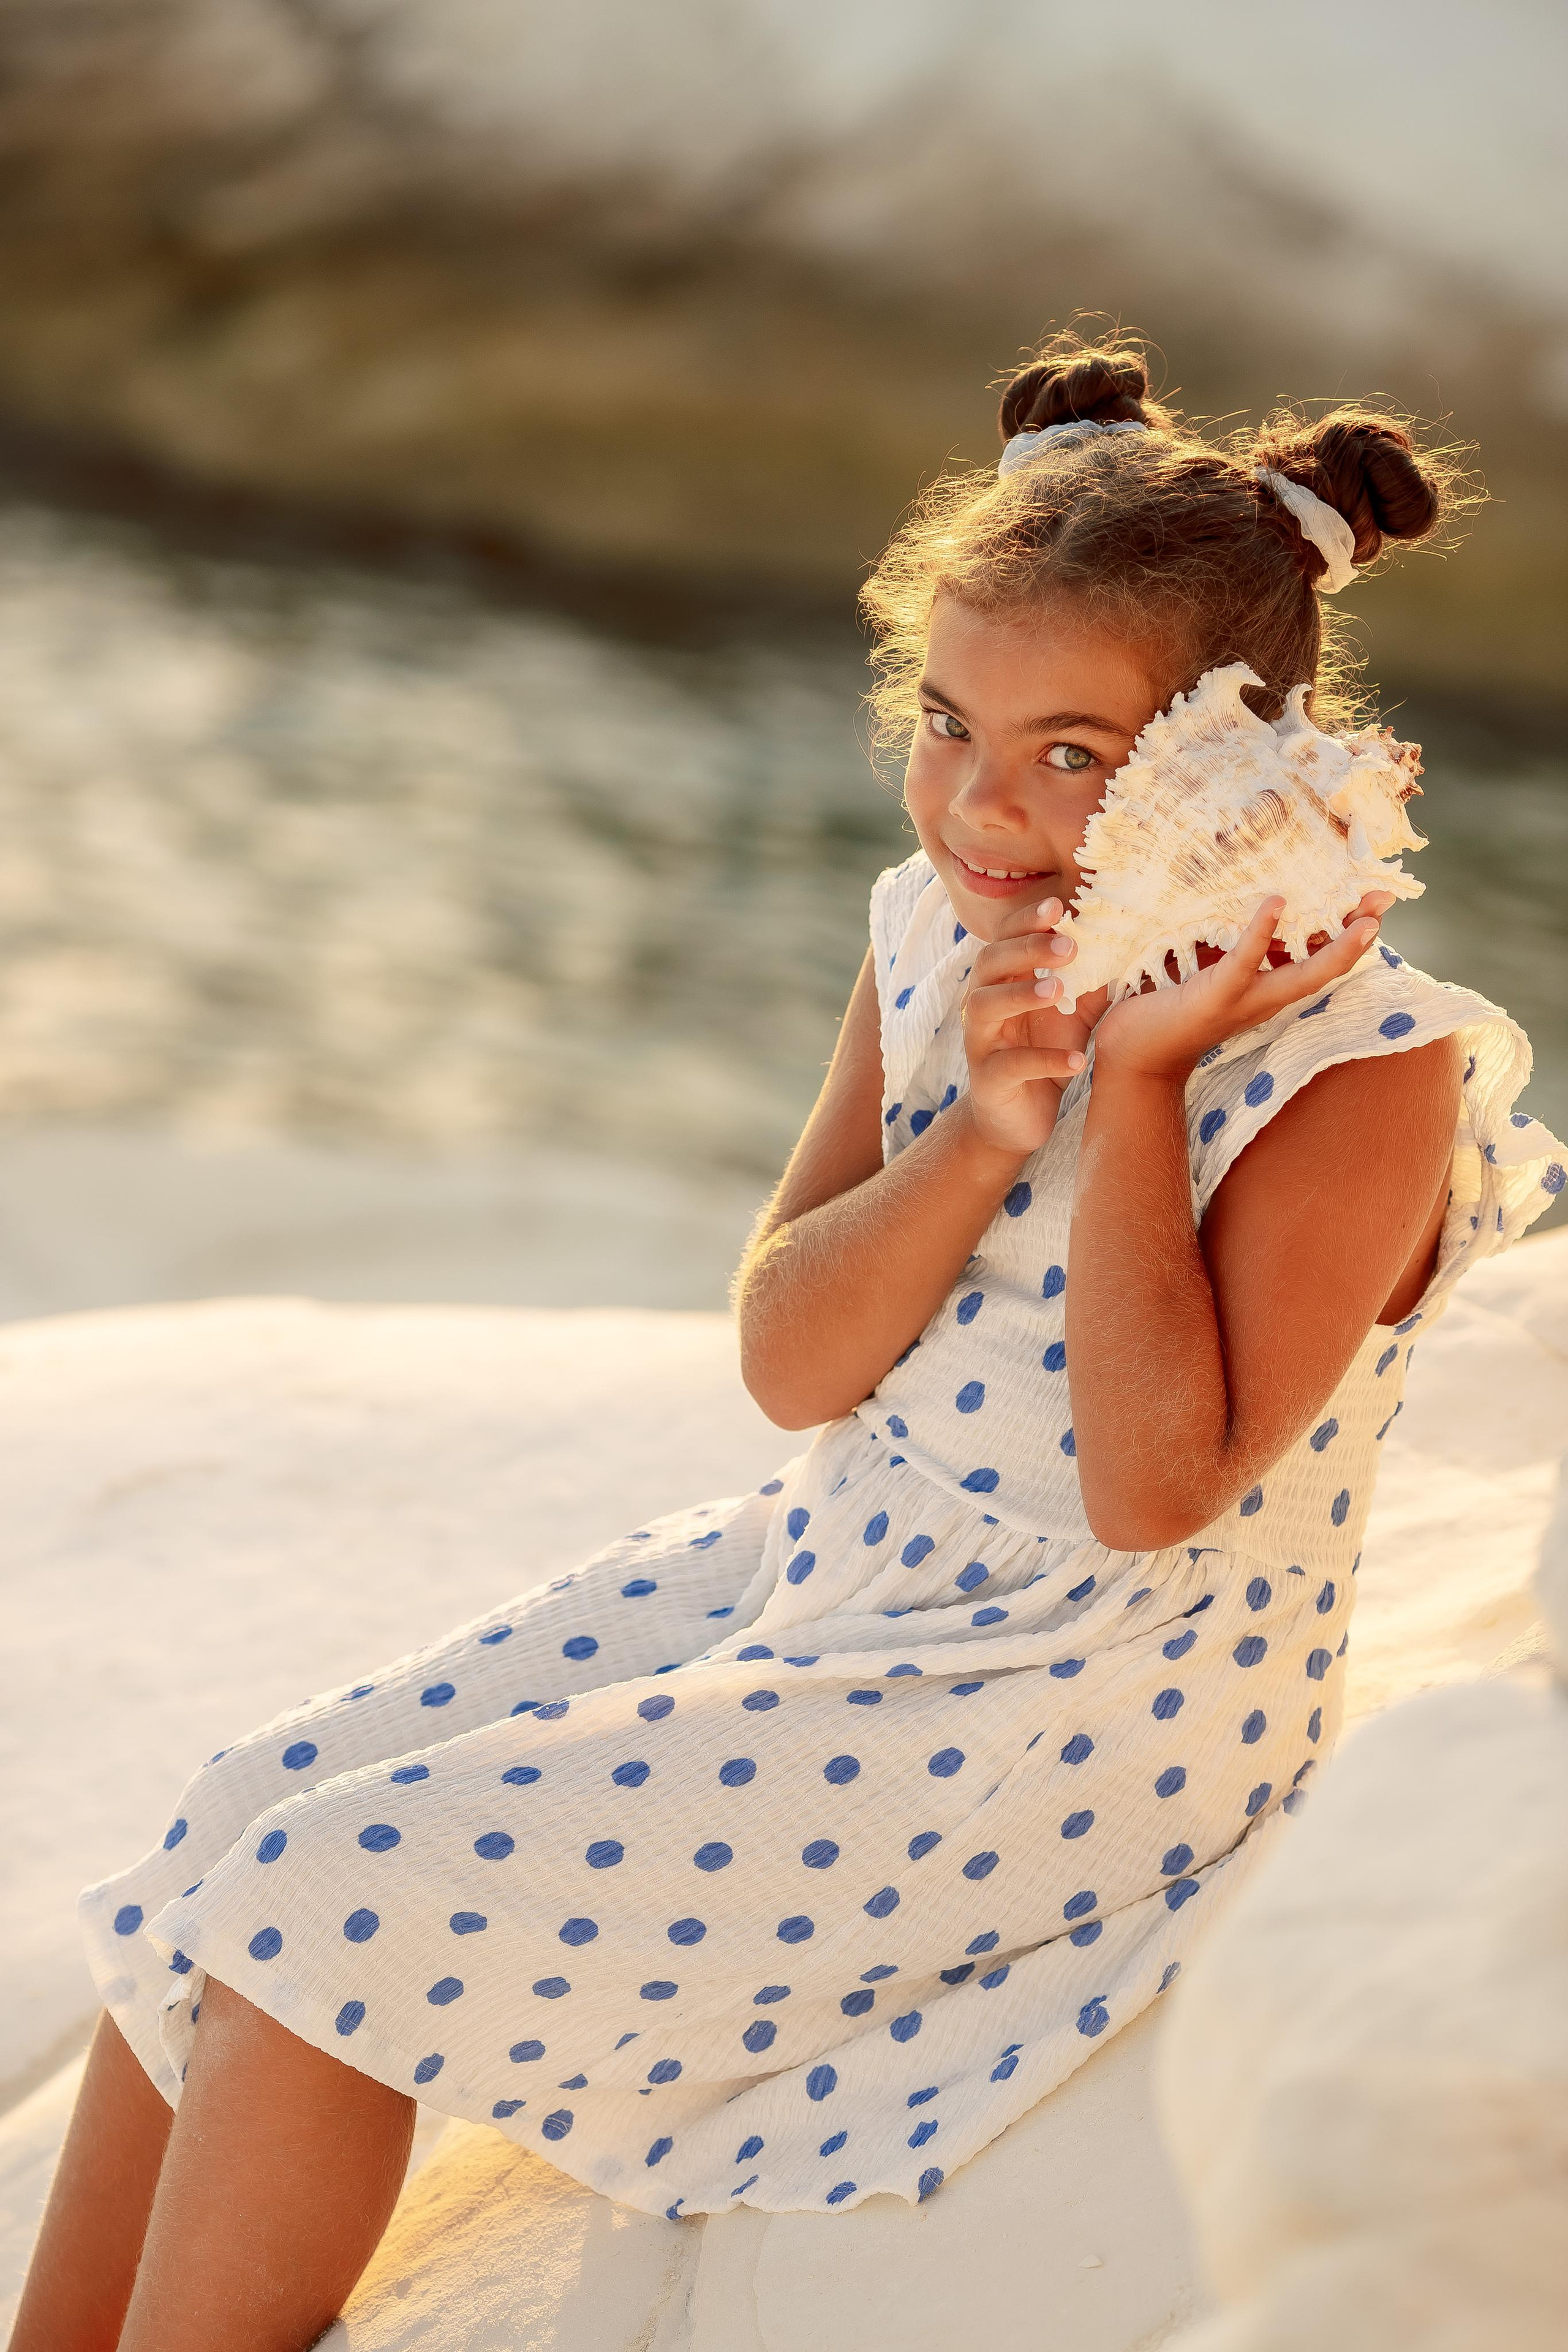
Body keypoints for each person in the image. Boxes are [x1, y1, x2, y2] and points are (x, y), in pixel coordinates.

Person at [14, 335, 1563, 2352]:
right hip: (842, 1568)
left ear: (1238, 755)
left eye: (1075, 755)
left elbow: (1155, 1490)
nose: (982, 809)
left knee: (336, 1905)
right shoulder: (935, 934)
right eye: (946, 725)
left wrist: (1134, 1101)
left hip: (1088, 1699)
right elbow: (792, 1364)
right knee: (237, 1823)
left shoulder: (1360, 1073)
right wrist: (990, 1124)